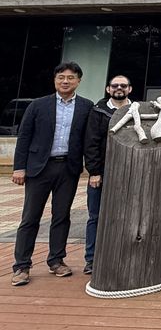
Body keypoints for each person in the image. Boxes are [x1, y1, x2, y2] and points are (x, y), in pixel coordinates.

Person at [11, 62, 93, 286]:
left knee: (61, 216)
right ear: (55, 80)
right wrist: (19, 167)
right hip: (39, 168)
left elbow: (89, 140)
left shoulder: (86, 106)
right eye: (61, 77)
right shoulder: (38, 105)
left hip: (68, 168)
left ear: (78, 81)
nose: (65, 81)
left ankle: (56, 260)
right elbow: (24, 137)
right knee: (30, 217)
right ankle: (22, 265)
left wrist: (93, 168)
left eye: (70, 78)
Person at [82, 74, 132, 275]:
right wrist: (94, 172)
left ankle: (121, 255)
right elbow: (91, 143)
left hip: (129, 173)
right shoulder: (98, 111)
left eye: (123, 85)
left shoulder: (138, 110)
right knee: (96, 216)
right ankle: (92, 258)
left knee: (125, 217)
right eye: (115, 85)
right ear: (108, 89)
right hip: (102, 173)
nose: (119, 88)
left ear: (130, 89)